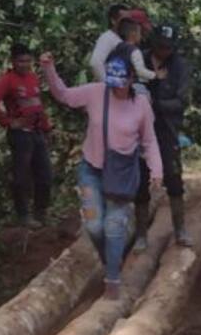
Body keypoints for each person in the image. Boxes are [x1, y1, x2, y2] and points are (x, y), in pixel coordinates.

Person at [43, 45, 163, 299]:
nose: (117, 87)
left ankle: (113, 280)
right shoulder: (96, 92)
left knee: (114, 225)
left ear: (131, 78)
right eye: (113, 81)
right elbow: (63, 95)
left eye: (122, 82)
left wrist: (156, 171)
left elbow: (150, 141)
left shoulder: (141, 105)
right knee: (94, 225)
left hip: (121, 173)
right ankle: (110, 260)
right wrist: (49, 69)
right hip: (91, 170)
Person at [132, 22, 193, 251]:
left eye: (168, 47)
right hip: (140, 133)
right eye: (160, 46)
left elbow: (180, 101)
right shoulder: (140, 61)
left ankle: (180, 230)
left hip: (166, 130)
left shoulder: (179, 66)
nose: (163, 51)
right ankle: (140, 235)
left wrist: (154, 104)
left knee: (174, 179)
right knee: (140, 182)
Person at [0, 44, 54, 228]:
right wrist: (8, 122)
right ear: (13, 61)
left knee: (45, 174)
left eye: (28, 61)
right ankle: (23, 215)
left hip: (37, 132)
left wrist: (47, 128)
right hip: (20, 135)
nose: (25, 64)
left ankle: (41, 212)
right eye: (21, 61)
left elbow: (38, 105)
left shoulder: (32, 77)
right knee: (21, 176)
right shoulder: (7, 80)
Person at [89, 3, 130, 81]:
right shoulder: (107, 38)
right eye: (123, 20)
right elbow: (95, 63)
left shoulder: (123, 39)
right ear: (113, 20)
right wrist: (107, 85)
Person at [116, 16, 155, 89]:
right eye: (139, 32)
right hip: (132, 85)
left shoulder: (118, 47)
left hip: (117, 83)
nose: (141, 36)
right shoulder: (135, 51)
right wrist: (155, 75)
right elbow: (140, 71)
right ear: (133, 34)